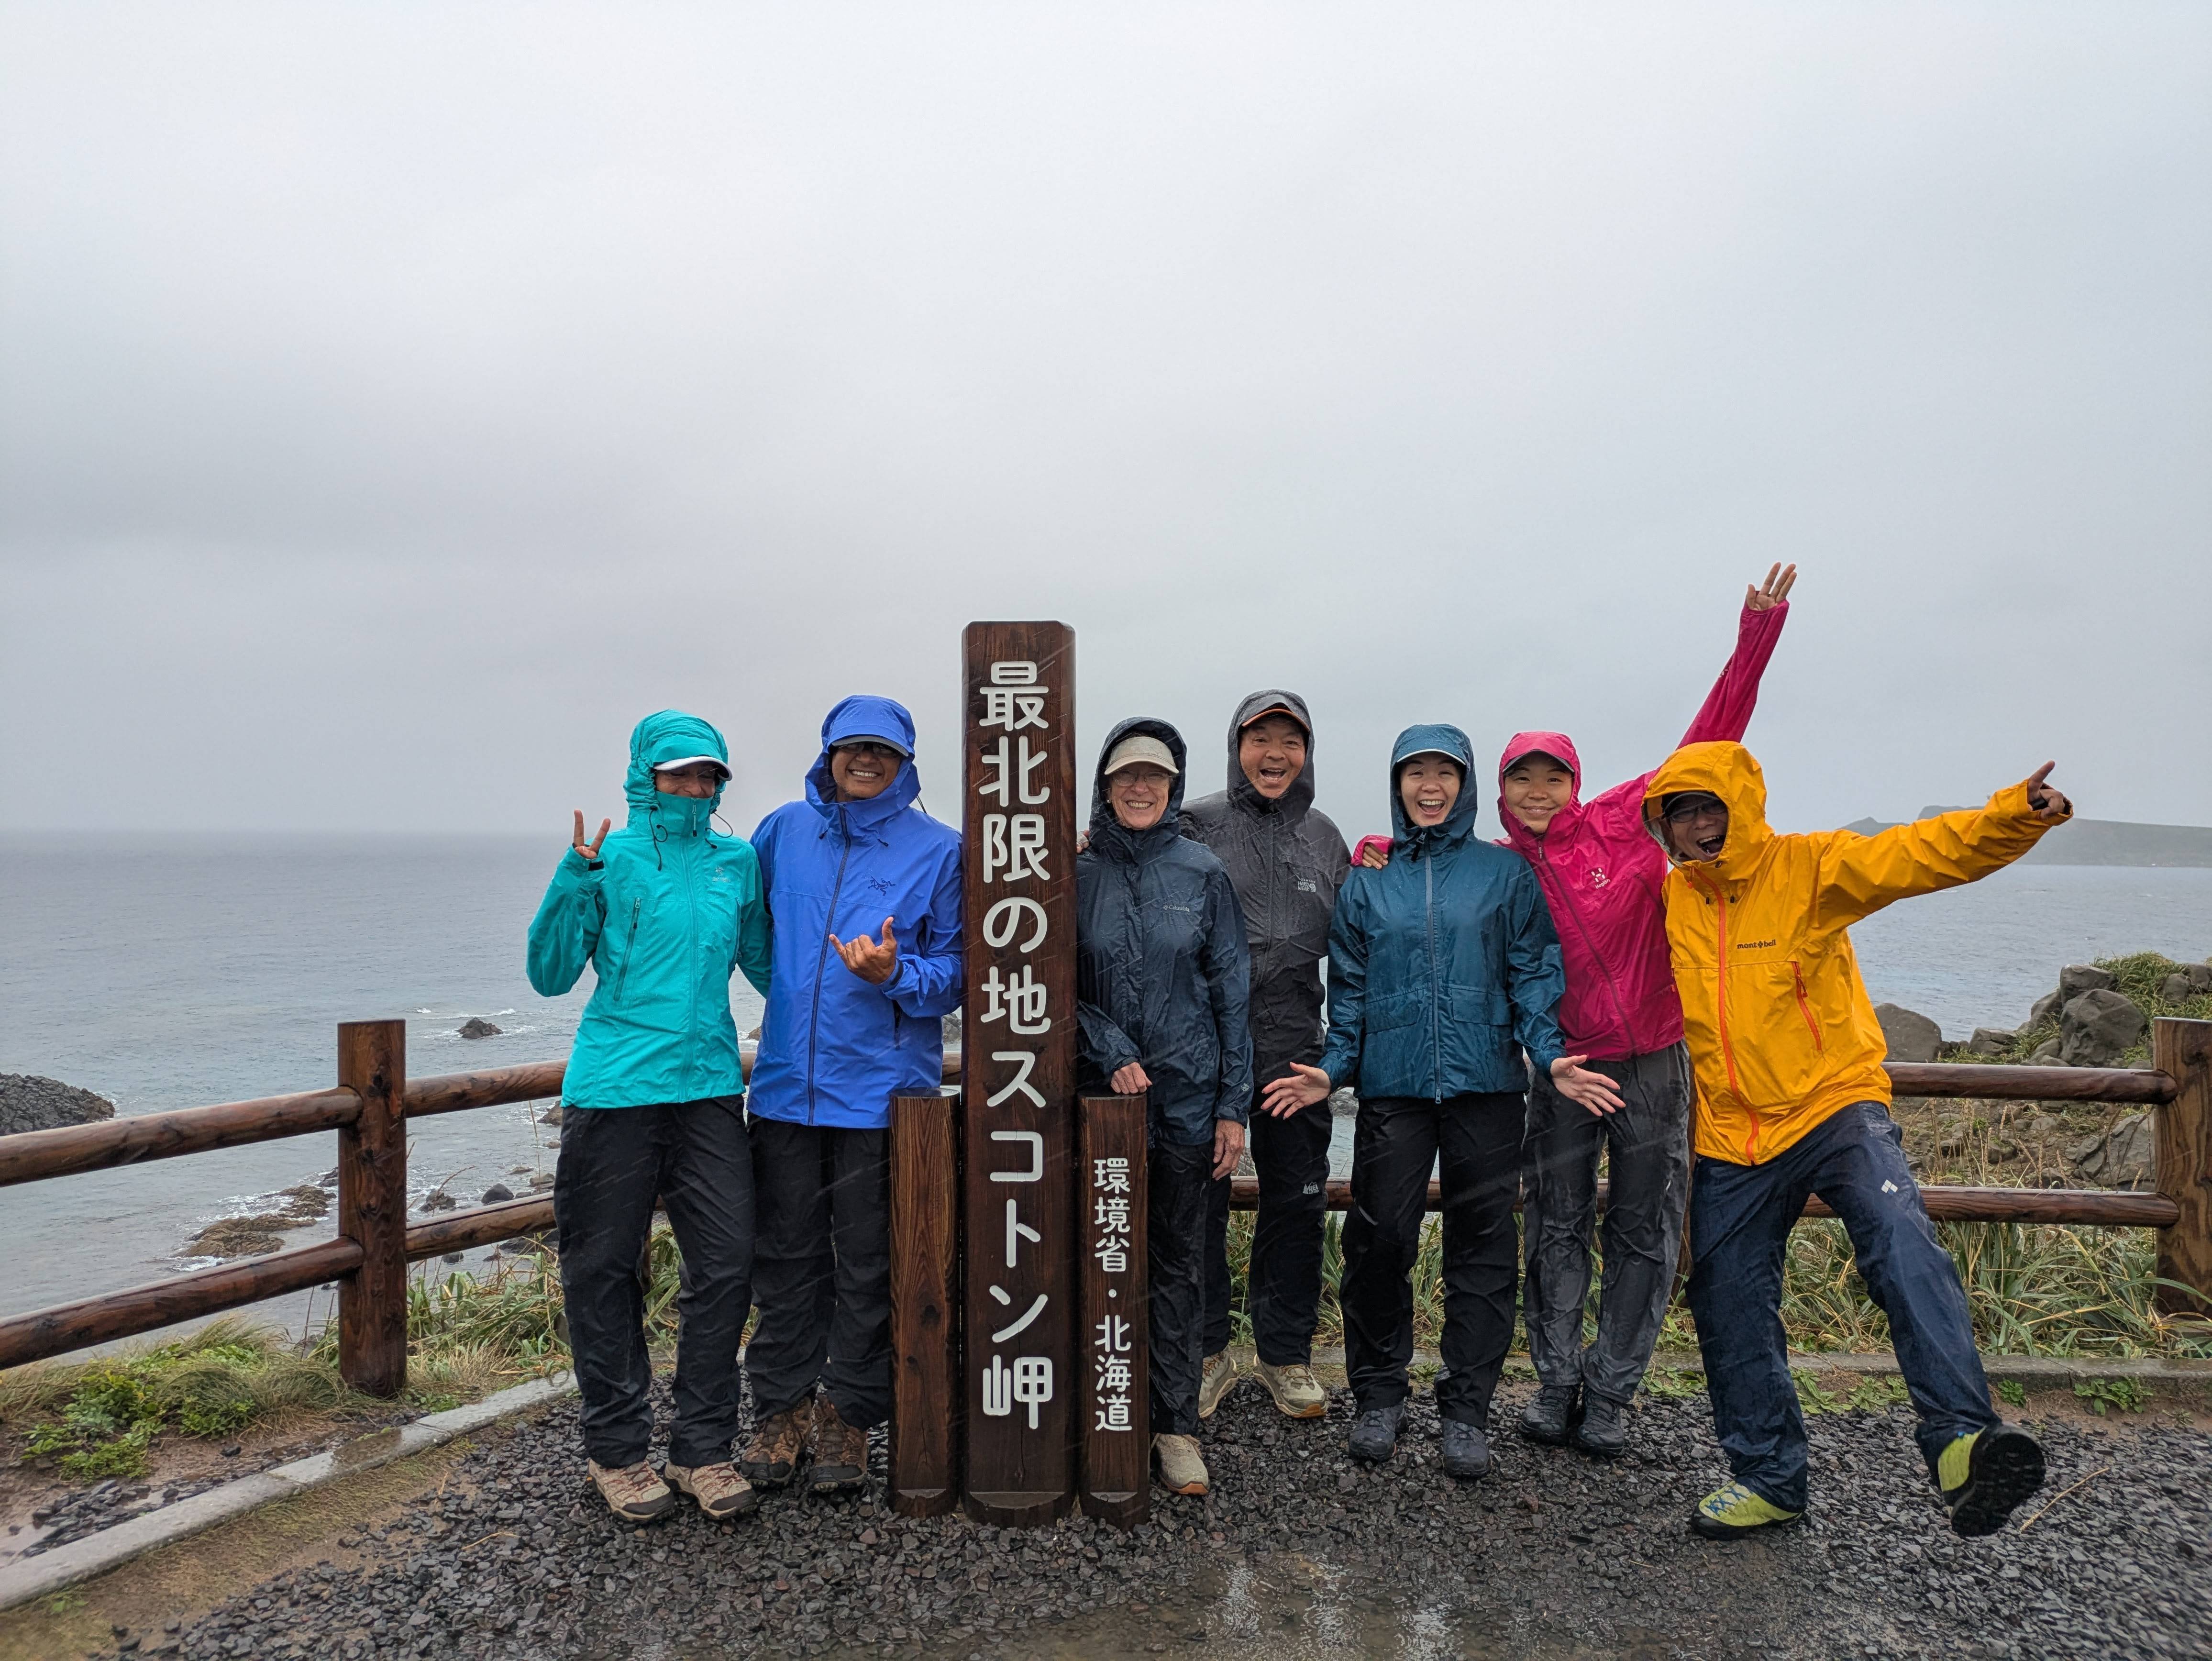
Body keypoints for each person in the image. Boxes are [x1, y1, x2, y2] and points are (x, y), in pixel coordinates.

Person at [1357, 565, 1797, 1457]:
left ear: (1574, 778)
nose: (1537, 793)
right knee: (1555, 1225)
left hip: (1653, 1061)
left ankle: (1613, 1392)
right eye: (1521, 780)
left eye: (1551, 777)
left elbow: (1712, 738)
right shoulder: (1497, 867)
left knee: (1645, 1227)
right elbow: (1430, 876)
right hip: (1562, 1067)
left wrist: (1756, 633)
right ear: (1501, 790)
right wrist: (1376, 851)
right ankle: (1556, 1383)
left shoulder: (1627, 821)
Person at [1644, 741, 2069, 1539]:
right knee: (1728, 1301)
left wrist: (2013, 817)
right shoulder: (1672, 900)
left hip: (1835, 1105)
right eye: (1681, 813)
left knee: (1902, 1241)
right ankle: (1769, 1478)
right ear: (1662, 828)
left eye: (1711, 808)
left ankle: (1962, 1443)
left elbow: (1917, 854)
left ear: (1743, 809)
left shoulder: (1810, 868)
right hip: (1733, 1132)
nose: (1699, 826)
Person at [1264, 726, 1624, 1479]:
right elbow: (1350, 998)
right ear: (1397, 785)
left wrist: (1550, 1054)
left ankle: (1466, 1410)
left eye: (1444, 774)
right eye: (1415, 774)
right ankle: (1379, 1397)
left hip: (1487, 1088)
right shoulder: (1369, 882)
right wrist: (1333, 1070)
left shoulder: (1504, 876)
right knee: (1379, 1242)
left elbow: (1532, 975)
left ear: (1463, 787)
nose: (1430, 787)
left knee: (1482, 1251)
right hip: (1394, 1091)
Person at [526, 709, 772, 1523]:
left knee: (730, 1264)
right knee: (602, 1272)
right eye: (680, 773)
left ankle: (703, 1448)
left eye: (708, 775)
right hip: (614, 1089)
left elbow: (773, 966)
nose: (695, 788)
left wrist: (873, 978)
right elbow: (551, 976)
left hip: (705, 1086)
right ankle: (619, 1452)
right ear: (646, 777)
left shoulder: (736, 862)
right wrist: (573, 881)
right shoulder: (610, 857)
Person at [741, 696, 963, 1495]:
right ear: (828, 752)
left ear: (906, 762)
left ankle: (850, 1416)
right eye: (852, 748)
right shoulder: (781, 833)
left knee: (869, 1263)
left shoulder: (942, 851)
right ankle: (781, 1408)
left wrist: (894, 976)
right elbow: (755, 943)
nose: (866, 761)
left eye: (884, 752)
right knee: (785, 1260)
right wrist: (793, 1000)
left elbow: (963, 973)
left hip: (881, 1097)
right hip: (784, 1095)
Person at [1077, 720, 1252, 1497]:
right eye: (1126, 778)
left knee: (1180, 1264)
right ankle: (1095, 1412)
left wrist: (1232, 1106)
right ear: (1105, 787)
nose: (1140, 788)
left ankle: (1176, 1425)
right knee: (1096, 1256)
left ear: (1174, 786)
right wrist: (1108, 1044)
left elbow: (1232, 991)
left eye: (1154, 777)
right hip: (1093, 1105)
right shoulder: (1073, 875)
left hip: (1188, 1100)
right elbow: (1044, 983)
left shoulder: (1202, 871)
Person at [1181, 692, 1351, 1422]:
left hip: (1293, 1053)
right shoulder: (1197, 822)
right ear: (1236, 746)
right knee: (1200, 1206)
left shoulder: (1325, 837)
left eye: (1291, 740)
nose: (1275, 753)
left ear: (1307, 752)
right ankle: (1207, 1351)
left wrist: (1337, 1063)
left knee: (1297, 1203)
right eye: (1261, 739)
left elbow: (1354, 958)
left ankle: (1285, 1355)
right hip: (1206, 1048)